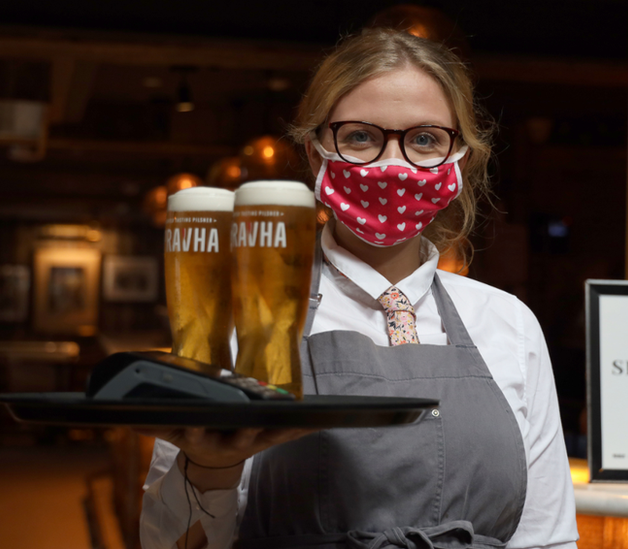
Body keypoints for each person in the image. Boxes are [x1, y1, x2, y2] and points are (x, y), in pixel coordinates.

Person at [139, 28, 578, 549]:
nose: (393, 165)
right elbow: (168, 544)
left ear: (458, 156)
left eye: (424, 139)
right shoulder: (232, 326)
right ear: (317, 148)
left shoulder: (510, 324)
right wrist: (209, 470)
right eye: (361, 136)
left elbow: (546, 540)